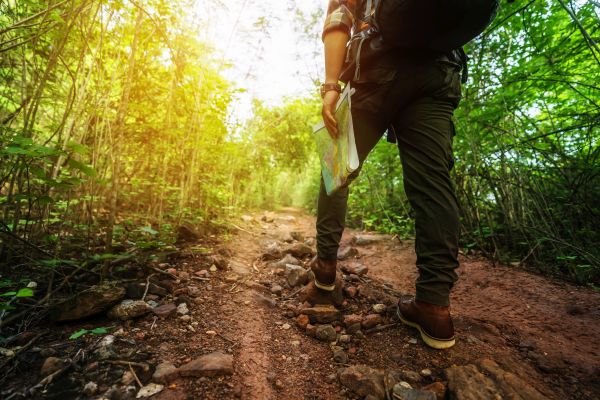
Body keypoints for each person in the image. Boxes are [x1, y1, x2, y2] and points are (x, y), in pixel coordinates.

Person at [306, 0, 494, 350]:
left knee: (337, 167)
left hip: (375, 71)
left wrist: (331, 87)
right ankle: (434, 306)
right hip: (437, 74)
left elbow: (338, 20)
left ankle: (326, 269)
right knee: (434, 184)